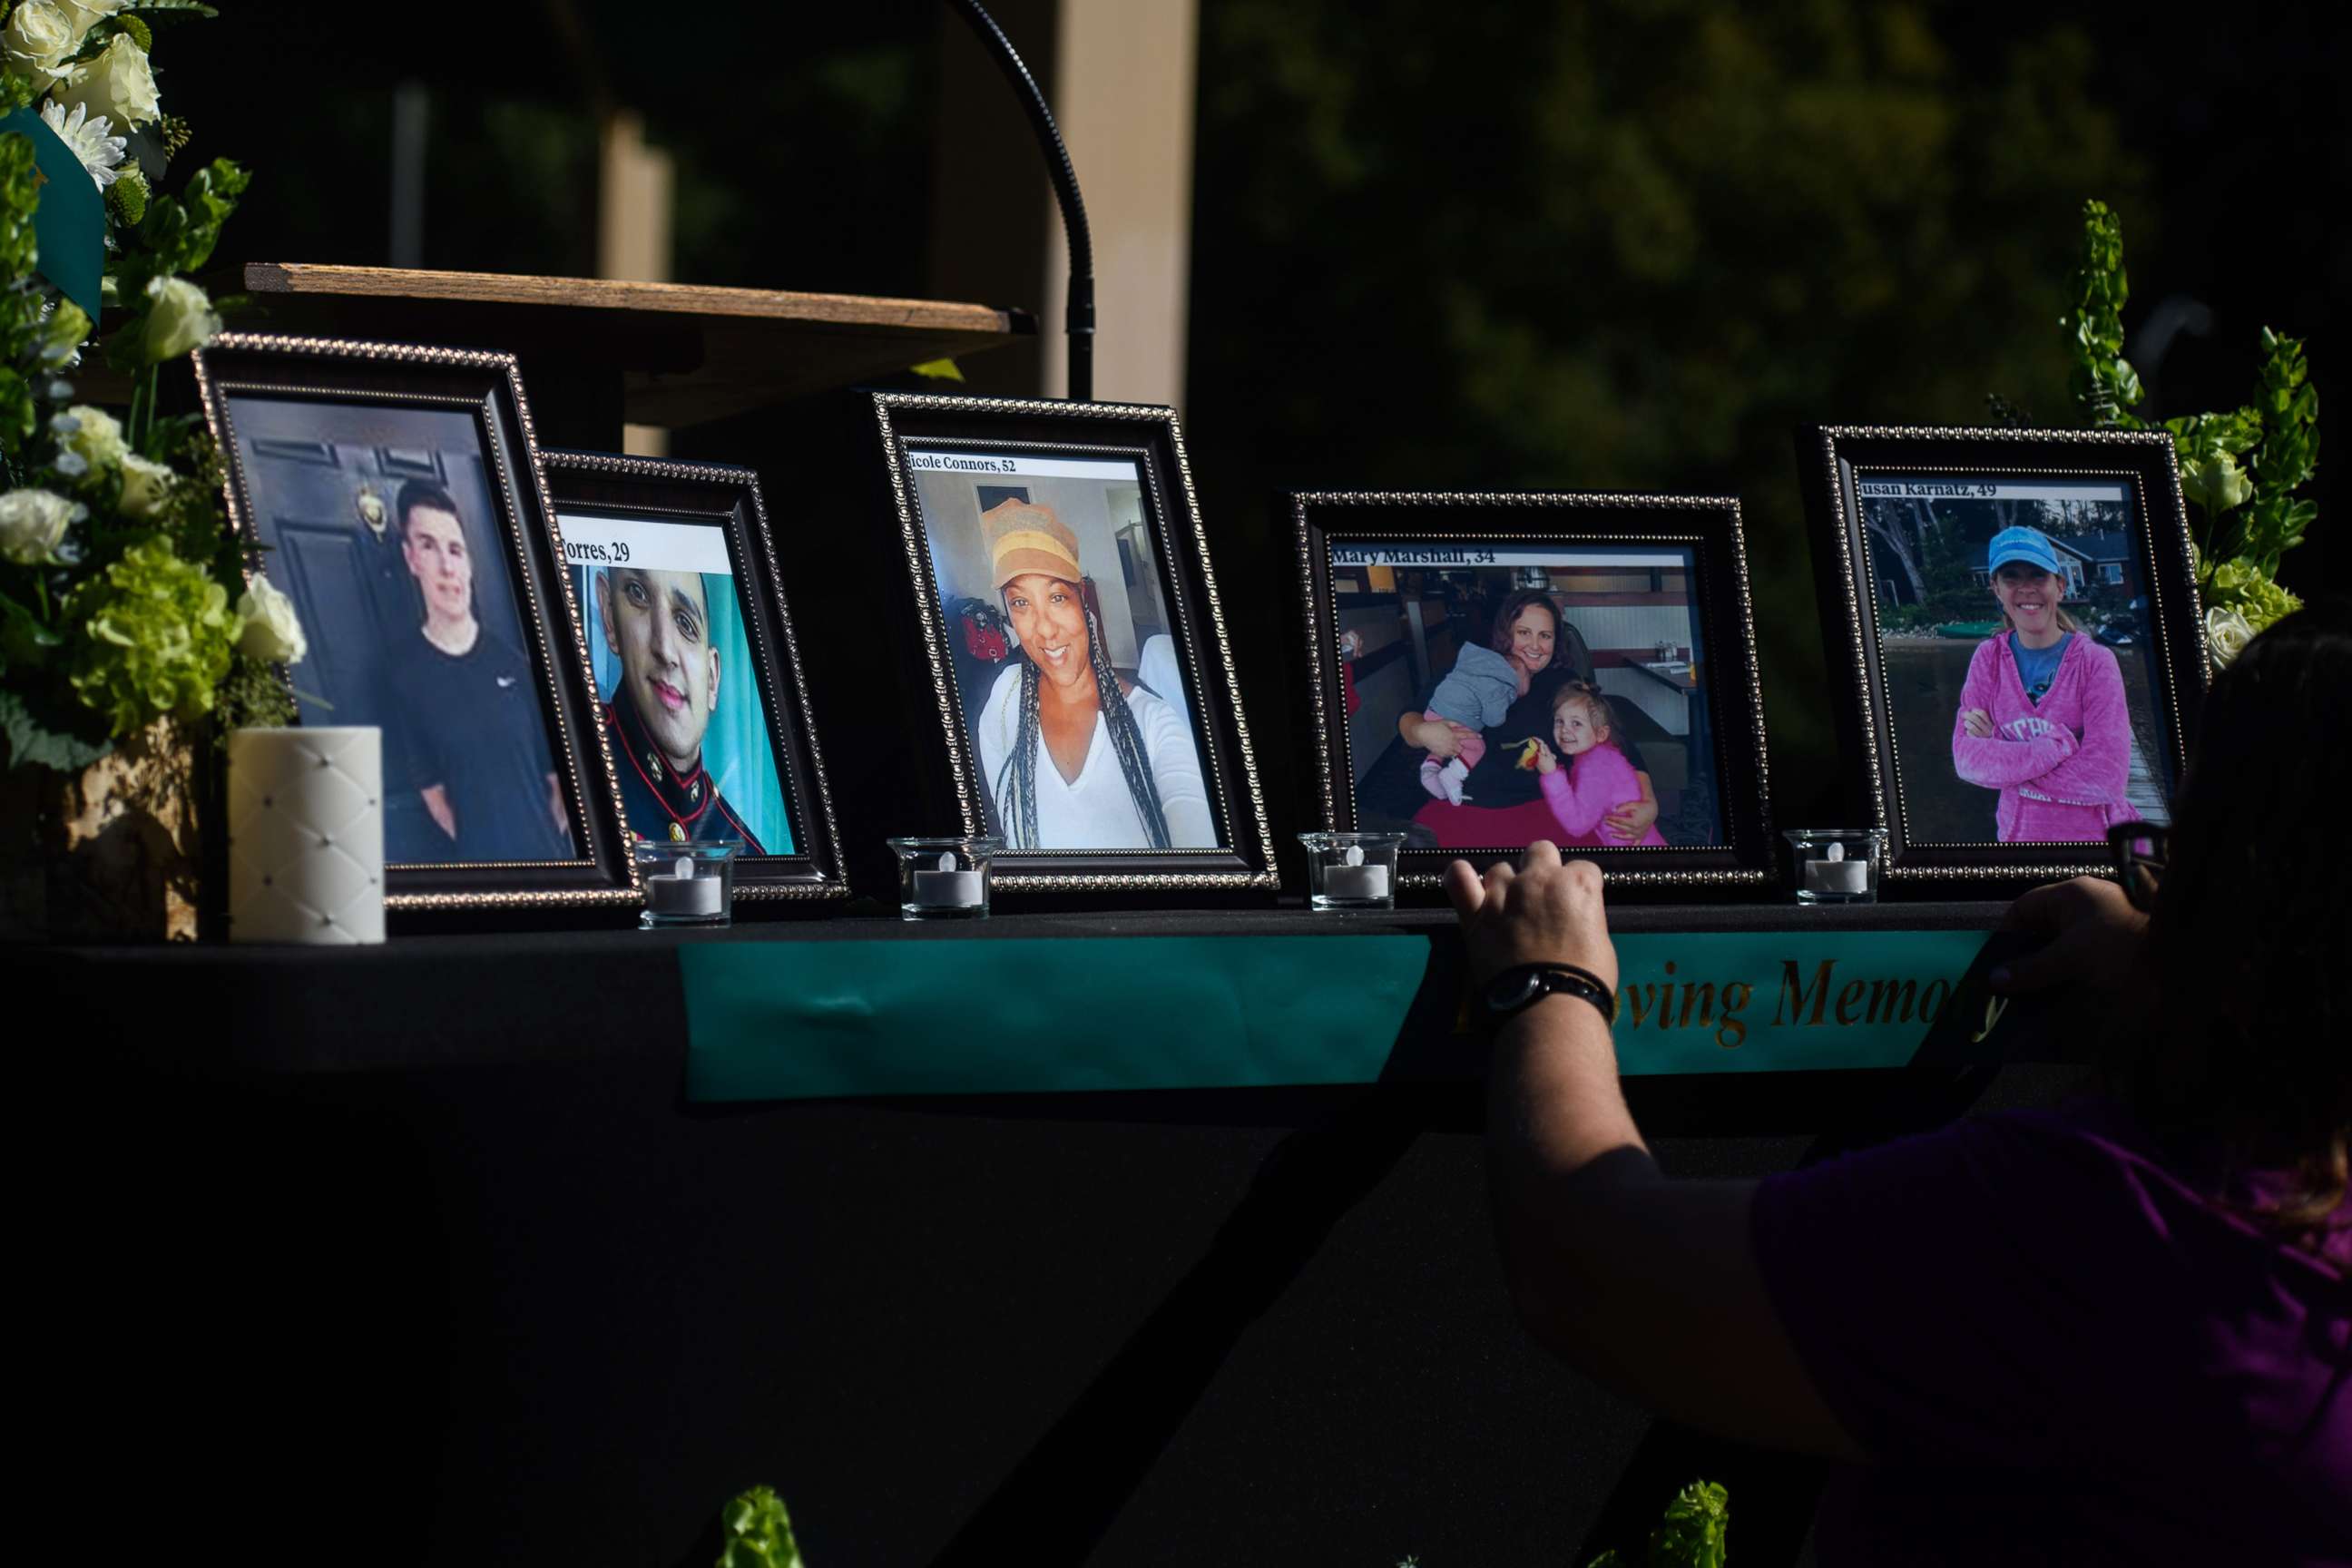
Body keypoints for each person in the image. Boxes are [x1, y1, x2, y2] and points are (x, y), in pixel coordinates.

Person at [1449, 598, 2348, 1563]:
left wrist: (1549, 984)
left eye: (2175, 863)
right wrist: (2191, 966)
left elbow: (1593, 1270)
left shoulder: (2112, 1224)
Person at [971, 497, 1215, 849]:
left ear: (1082, 600)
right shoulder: (1006, 694)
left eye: (1057, 598)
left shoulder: (1155, 725)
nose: (1045, 630)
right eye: (1021, 603)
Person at [383, 479, 570, 860]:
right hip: (483, 873)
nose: (446, 566)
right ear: (411, 559)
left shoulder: (515, 665)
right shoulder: (406, 677)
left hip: (548, 866)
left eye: (455, 549)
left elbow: (559, 784)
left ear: (469, 563)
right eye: (428, 546)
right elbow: (435, 798)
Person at [1391, 589, 1659, 848]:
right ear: (1506, 633)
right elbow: (1409, 716)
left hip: (1542, 806)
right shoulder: (1474, 668)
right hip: (1463, 802)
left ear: (1556, 641)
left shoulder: (1563, 682)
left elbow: (1612, 741)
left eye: (1545, 636)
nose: (1534, 645)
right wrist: (1423, 732)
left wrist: (1649, 802)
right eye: (1523, 633)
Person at [1951, 525, 2134, 841]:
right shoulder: (1988, 659)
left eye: (2038, 575)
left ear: (2060, 586)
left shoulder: (2095, 662)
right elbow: (1967, 760)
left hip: (2097, 843)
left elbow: (2107, 776)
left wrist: (2003, 751)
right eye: (2012, 576)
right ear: (1996, 588)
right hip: (2017, 840)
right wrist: (2059, 746)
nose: (2026, 588)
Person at [593, 564, 765, 850]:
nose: (665, 649)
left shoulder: (748, 853)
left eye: (686, 624)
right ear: (609, 614)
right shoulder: (561, 774)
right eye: (639, 594)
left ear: (712, 678)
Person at [1526, 681, 1667, 846]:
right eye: (1559, 721)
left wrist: (1550, 774)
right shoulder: (1600, 755)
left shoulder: (1596, 767)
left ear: (1601, 734)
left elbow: (1577, 824)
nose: (1564, 730)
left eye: (1576, 723)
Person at [1416, 632, 1520, 806]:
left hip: (1432, 713)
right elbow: (1493, 720)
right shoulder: (1497, 685)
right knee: (1475, 745)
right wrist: (1508, 698)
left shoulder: (1470, 665)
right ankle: (1453, 776)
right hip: (1452, 719)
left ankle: (1430, 768)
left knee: (1446, 743)